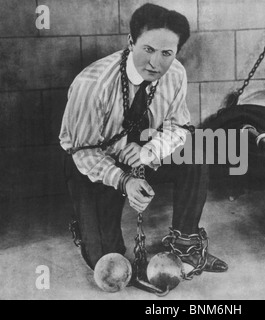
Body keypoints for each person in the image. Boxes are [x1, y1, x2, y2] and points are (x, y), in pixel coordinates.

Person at [59, 3, 228, 274]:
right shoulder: (93, 84)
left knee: (196, 146)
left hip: (141, 154)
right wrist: (124, 180)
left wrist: (149, 151)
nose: (155, 63)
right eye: (148, 49)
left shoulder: (175, 74)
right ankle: (88, 225)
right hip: (95, 163)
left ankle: (186, 245)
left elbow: (180, 128)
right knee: (109, 265)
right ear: (131, 42)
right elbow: (83, 151)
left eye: (166, 53)